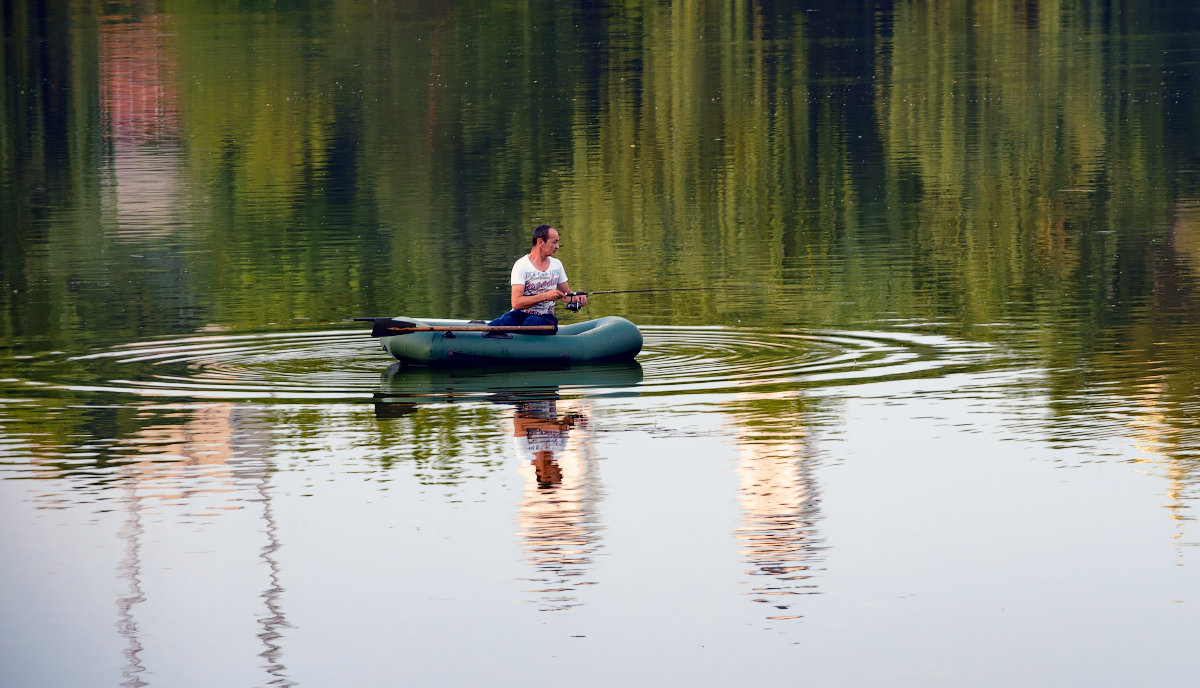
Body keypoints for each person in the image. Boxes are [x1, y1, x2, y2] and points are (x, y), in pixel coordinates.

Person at [488, 225, 587, 332]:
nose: (557, 246)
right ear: (540, 242)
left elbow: (566, 294)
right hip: (520, 315)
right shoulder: (521, 265)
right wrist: (545, 296)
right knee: (495, 325)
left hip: (545, 319)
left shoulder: (557, 265)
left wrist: (578, 298)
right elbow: (516, 303)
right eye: (554, 242)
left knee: (532, 322)